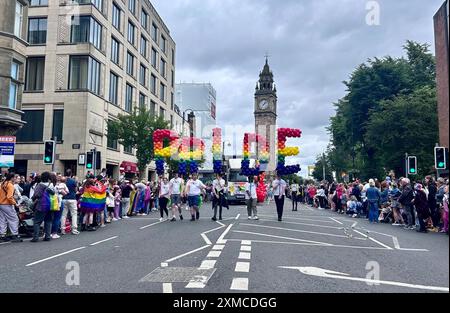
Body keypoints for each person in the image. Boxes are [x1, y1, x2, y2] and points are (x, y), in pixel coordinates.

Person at [31, 172, 56, 242]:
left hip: (41, 205)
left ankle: (35, 237)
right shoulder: (51, 184)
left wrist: (33, 199)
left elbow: (37, 195)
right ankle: (47, 236)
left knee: (37, 222)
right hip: (50, 205)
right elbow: (54, 193)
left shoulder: (40, 185)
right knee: (48, 221)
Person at [0, 173, 22, 242]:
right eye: (15, 177)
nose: (15, 179)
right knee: (14, 219)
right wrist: (15, 204)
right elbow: (9, 197)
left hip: (1, 204)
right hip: (7, 204)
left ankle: (2, 235)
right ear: (12, 178)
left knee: (2, 220)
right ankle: (15, 235)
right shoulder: (10, 185)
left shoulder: (3, 183)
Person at [61, 170, 79, 235]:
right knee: (74, 214)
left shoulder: (63, 181)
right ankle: (74, 229)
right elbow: (76, 190)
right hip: (72, 198)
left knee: (63, 215)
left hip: (64, 198)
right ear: (71, 174)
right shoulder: (73, 181)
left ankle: (62, 229)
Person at [51, 174, 68, 239]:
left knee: (49, 219)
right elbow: (65, 193)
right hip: (57, 203)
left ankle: (47, 232)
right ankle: (54, 233)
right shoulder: (58, 186)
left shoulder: (49, 185)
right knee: (57, 218)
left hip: (49, 203)